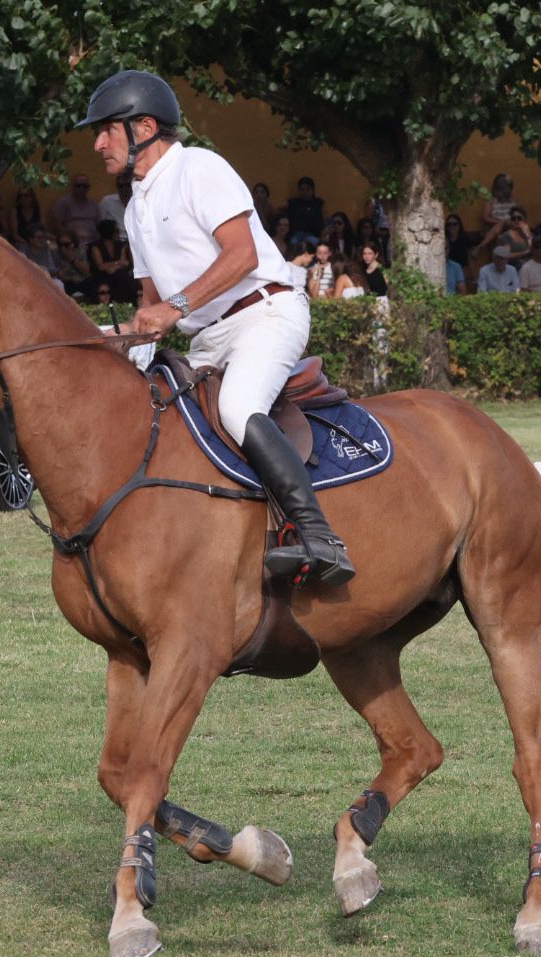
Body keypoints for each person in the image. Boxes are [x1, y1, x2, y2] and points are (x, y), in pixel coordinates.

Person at [83, 69, 353, 583]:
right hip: (209, 336)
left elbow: (242, 253)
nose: (97, 144)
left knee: (236, 407)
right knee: (160, 414)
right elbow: (150, 305)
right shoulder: (137, 205)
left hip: (266, 314)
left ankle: (321, 538)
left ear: (143, 127)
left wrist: (175, 308)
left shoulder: (199, 168)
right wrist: (111, 340)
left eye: (106, 130)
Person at [87, 218, 134, 303]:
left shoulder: (121, 245)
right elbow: (101, 266)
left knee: (121, 275)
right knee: (119, 276)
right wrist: (116, 263)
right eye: (116, 230)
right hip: (101, 276)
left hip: (118, 273)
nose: (118, 232)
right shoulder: (96, 246)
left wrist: (114, 267)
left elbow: (125, 263)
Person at [51, 173, 102, 249]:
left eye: (84, 186)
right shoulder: (63, 203)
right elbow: (57, 224)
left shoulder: (93, 204)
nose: (81, 188)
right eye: (78, 186)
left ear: (88, 188)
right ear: (72, 187)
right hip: (72, 244)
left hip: (92, 243)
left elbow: (99, 226)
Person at [285, 176, 326, 246]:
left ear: (312, 190)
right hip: (296, 235)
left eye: (308, 189)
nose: (305, 192)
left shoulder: (317, 203)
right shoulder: (294, 202)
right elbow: (279, 206)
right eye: (302, 190)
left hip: (312, 235)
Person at [54, 230, 94, 298]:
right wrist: (71, 278)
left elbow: (87, 272)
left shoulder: (80, 252)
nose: (63, 247)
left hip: (82, 280)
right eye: (60, 244)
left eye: (66, 244)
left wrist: (72, 260)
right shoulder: (56, 253)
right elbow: (59, 274)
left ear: (73, 243)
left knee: (90, 282)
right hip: (66, 281)